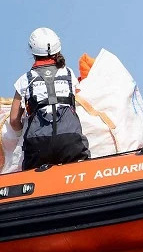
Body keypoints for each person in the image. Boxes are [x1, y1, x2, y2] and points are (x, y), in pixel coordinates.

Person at [8, 28, 90, 170]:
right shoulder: (69, 73)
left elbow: (14, 120)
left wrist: (19, 135)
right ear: (58, 48)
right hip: (70, 141)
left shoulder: (24, 80)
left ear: (32, 52)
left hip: (38, 145)